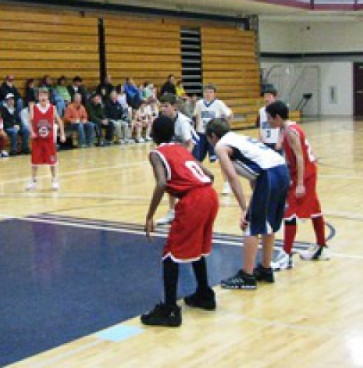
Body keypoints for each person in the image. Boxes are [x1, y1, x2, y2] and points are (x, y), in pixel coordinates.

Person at [140, 115, 219, 327]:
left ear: (153, 133)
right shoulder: (182, 149)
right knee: (198, 248)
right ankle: (204, 294)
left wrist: (149, 216)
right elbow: (210, 176)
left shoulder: (156, 153)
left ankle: (169, 310)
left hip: (193, 199)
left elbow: (161, 183)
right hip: (210, 195)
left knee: (170, 254)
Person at [206, 118, 289, 290]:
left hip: (269, 174)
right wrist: (250, 206)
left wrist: (245, 209)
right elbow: (254, 177)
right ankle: (266, 269)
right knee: (268, 224)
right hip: (281, 170)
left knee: (251, 226)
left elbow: (233, 178)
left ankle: (247, 275)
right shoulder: (238, 137)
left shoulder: (221, 146)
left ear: (213, 136)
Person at [265, 101, 330, 269]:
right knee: (314, 209)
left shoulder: (291, 132)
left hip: (305, 174)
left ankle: (286, 255)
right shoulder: (288, 128)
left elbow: (300, 158)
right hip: (306, 172)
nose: (268, 122)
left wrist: (300, 183)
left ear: (277, 117)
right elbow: (288, 153)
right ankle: (322, 247)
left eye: (269, 118)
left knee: (290, 212)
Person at [156, 94, 199, 226]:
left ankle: (191, 211)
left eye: (166, 106)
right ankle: (172, 211)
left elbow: (189, 143)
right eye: (161, 106)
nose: (163, 109)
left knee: (188, 183)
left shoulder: (182, 122)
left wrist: (183, 160)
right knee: (170, 180)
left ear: (174, 107)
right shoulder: (165, 120)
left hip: (192, 148)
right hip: (178, 150)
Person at [26, 88, 66, 191]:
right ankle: (33, 181)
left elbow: (60, 121)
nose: (43, 97)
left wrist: (62, 134)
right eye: (41, 95)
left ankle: (54, 180)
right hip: (37, 140)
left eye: (45, 95)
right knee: (34, 162)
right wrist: (32, 132)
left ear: (47, 97)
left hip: (49, 140)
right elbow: (30, 121)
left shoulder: (52, 108)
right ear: (38, 97)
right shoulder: (34, 108)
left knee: (52, 161)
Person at [192, 85, 232, 165]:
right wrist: (195, 129)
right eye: (206, 92)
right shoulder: (199, 103)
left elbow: (229, 114)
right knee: (197, 158)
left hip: (214, 135)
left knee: (215, 160)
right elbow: (196, 117)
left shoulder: (219, 103)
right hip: (201, 133)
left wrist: (226, 128)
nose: (208, 94)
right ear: (203, 93)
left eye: (210, 92)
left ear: (214, 94)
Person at [258, 87, 281, 152]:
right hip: (265, 142)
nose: (267, 98)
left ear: (274, 97)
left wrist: (280, 141)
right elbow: (261, 126)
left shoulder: (279, 109)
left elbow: (283, 127)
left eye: (269, 96)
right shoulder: (261, 110)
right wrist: (260, 137)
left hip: (276, 142)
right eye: (265, 96)